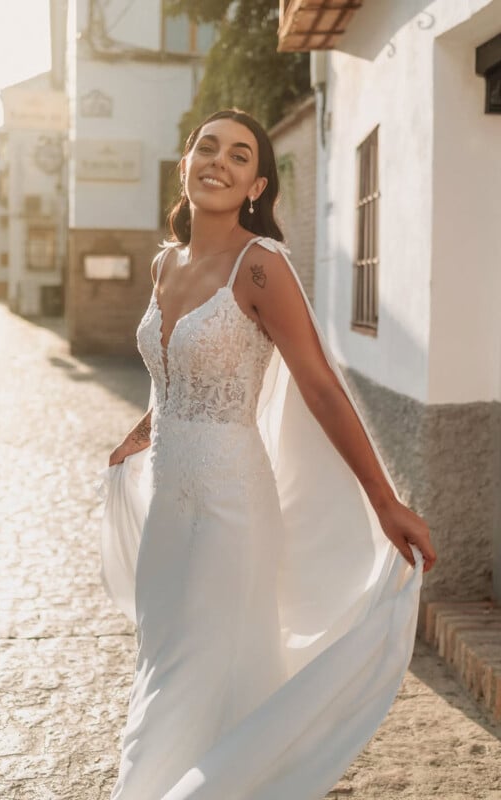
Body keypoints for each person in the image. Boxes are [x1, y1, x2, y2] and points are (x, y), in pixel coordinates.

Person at [98, 108, 436, 800]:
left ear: (257, 184)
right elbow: (175, 370)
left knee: (198, 664)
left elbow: (318, 384)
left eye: (240, 155)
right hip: (169, 495)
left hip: (230, 505)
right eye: (207, 147)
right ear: (186, 163)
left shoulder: (262, 267)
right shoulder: (166, 262)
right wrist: (142, 429)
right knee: (168, 662)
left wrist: (384, 499)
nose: (219, 161)